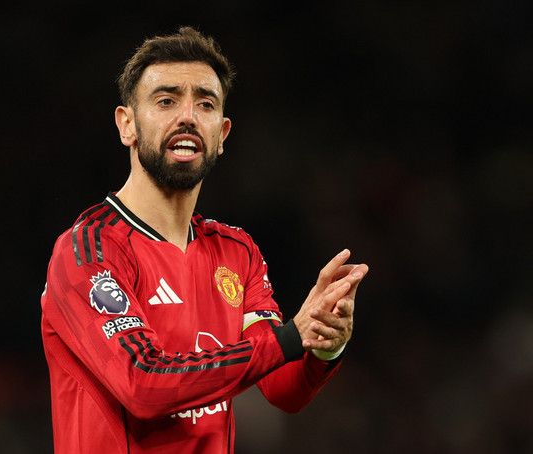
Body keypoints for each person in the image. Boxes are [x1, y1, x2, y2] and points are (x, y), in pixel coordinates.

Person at [41, 26, 368, 454]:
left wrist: (324, 341)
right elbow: (142, 384)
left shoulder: (236, 252)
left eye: (206, 104)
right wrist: (290, 337)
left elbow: (281, 386)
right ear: (127, 125)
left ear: (222, 134)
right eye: (166, 101)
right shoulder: (89, 250)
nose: (188, 116)